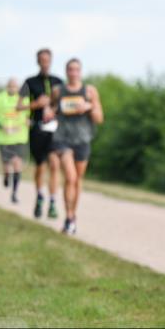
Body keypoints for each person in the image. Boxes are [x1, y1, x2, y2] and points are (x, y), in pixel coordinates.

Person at [51, 58, 104, 235]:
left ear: (80, 72)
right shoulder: (58, 91)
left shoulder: (89, 91)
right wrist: (46, 112)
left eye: (76, 70)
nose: (73, 73)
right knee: (70, 177)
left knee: (78, 180)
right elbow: (50, 111)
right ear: (66, 72)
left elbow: (99, 118)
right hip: (62, 139)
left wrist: (88, 106)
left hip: (83, 139)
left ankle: (72, 216)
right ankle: (69, 217)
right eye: (70, 70)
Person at [19, 48, 64, 219]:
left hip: (54, 129)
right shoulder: (30, 82)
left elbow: (64, 104)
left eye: (47, 60)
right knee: (40, 166)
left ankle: (52, 202)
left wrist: (54, 109)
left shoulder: (58, 82)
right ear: (38, 61)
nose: (45, 63)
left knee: (54, 164)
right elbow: (18, 106)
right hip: (37, 129)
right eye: (42, 60)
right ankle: (39, 196)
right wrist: (35, 105)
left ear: (51, 61)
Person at [0, 79, 30, 204]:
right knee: (7, 165)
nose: (13, 89)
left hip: (19, 137)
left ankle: (14, 193)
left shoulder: (24, 99)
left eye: (15, 87)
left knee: (17, 163)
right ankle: (6, 176)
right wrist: (0, 126)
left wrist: (28, 121)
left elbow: (29, 114)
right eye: (11, 86)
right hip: (3, 138)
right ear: (7, 87)